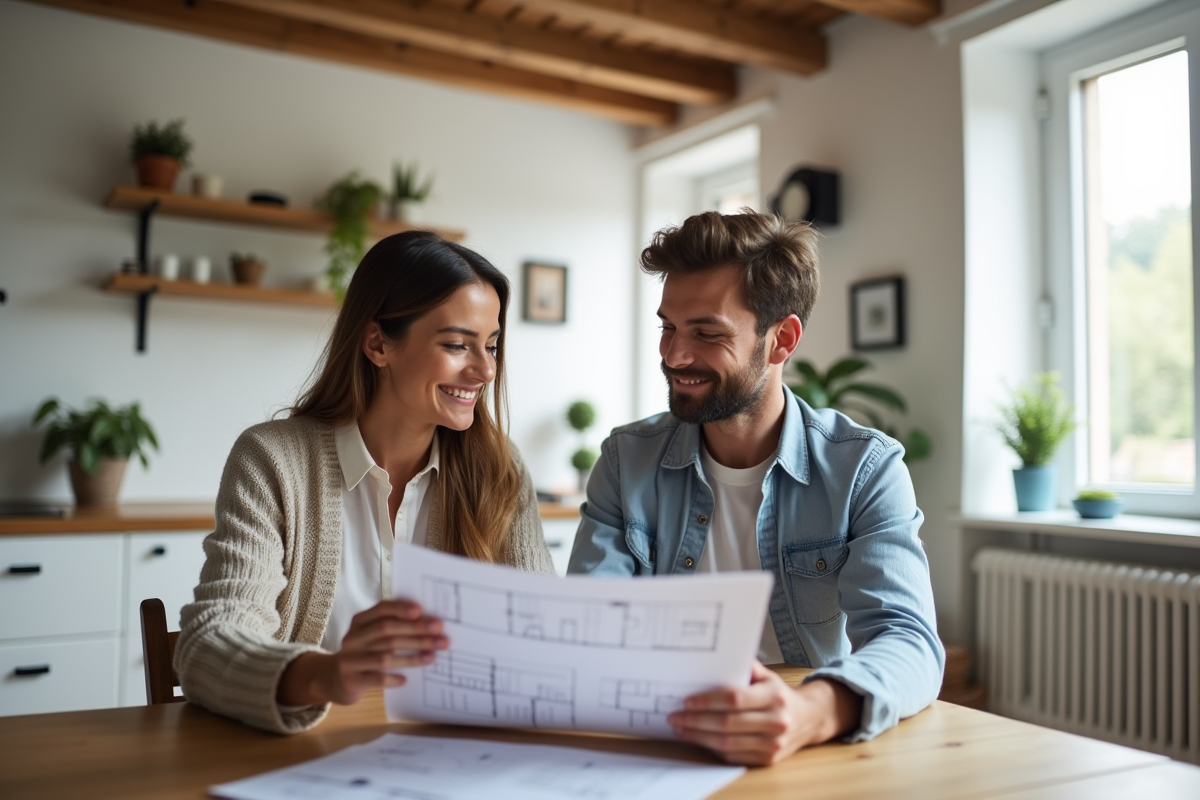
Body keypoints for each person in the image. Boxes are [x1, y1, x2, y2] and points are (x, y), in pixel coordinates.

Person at [568, 211, 943, 766]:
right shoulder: (627, 461)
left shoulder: (864, 468)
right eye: (668, 327)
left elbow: (908, 639)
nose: (674, 355)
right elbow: (589, 626)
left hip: (806, 752)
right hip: (658, 746)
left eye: (707, 333)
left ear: (781, 340)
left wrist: (808, 712)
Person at [176, 231, 554, 734]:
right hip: (303, 757)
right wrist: (327, 675)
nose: (485, 369)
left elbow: (545, 639)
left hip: (450, 759)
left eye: (491, 345)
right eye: (457, 345)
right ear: (378, 343)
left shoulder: (499, 468)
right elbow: (207, 643)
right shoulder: (272, 460)